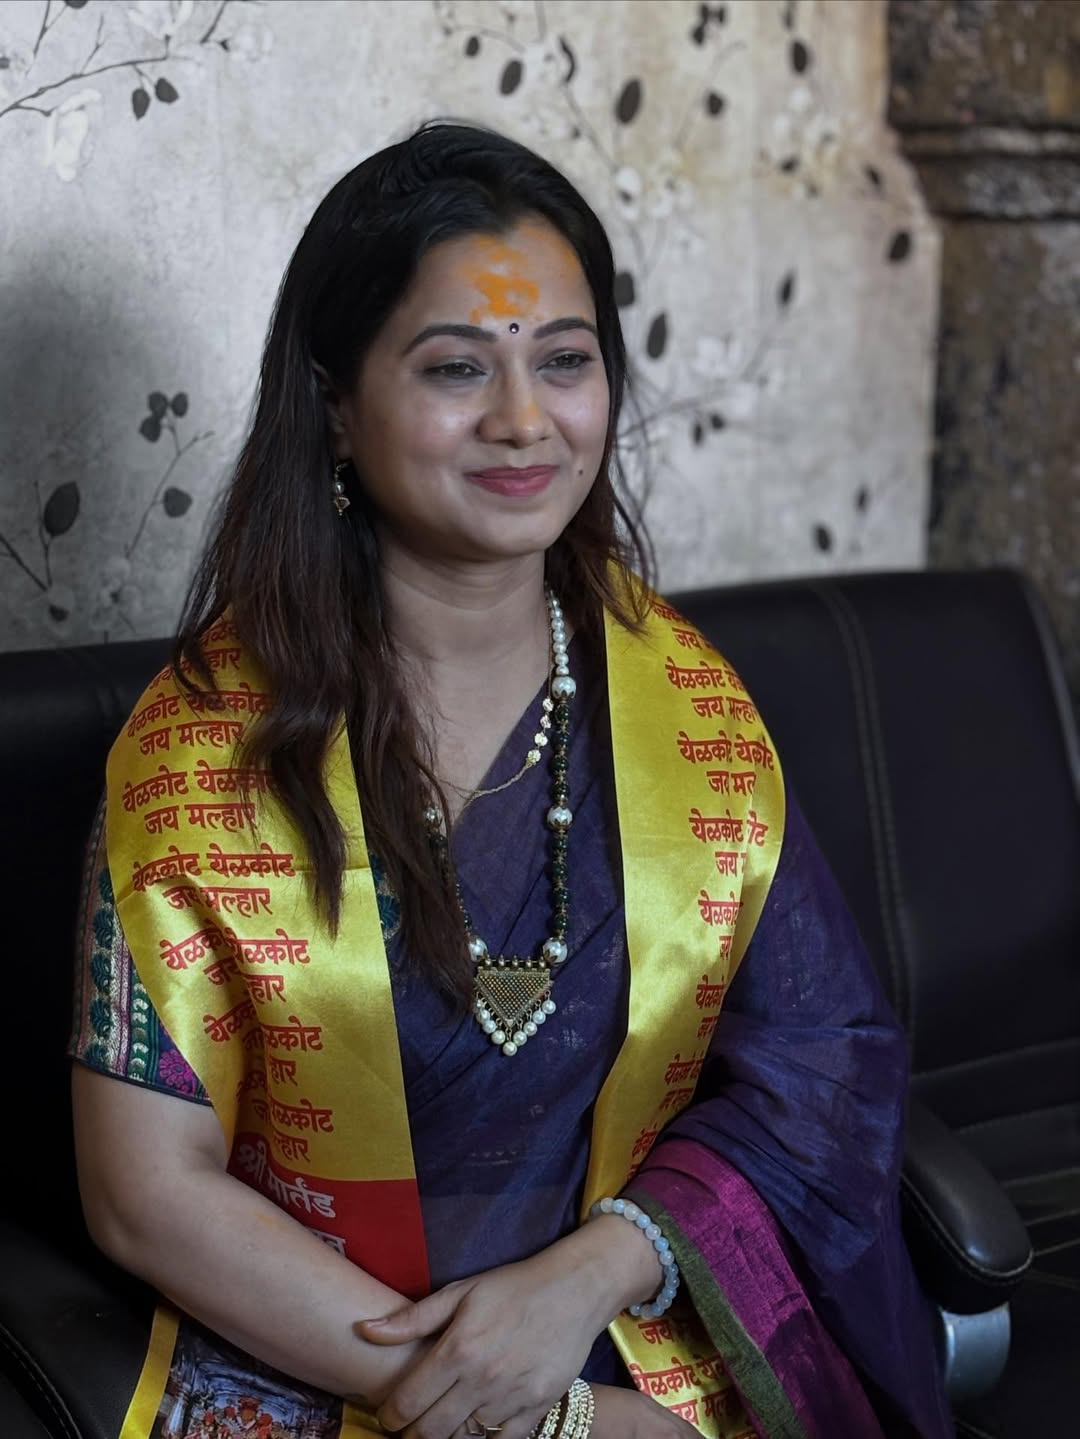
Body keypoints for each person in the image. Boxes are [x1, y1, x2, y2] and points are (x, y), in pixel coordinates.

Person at [69, 121, 953, 1439]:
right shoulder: (201, 752)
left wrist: (587, 1285)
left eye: (563, 360)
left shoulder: (687, 710)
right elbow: (148, 1191)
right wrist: (540, 1420)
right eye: (453, 369)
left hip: (634, 1344)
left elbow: (822, 1064)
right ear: (333, 402)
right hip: (314, 1366)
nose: (524, 420)